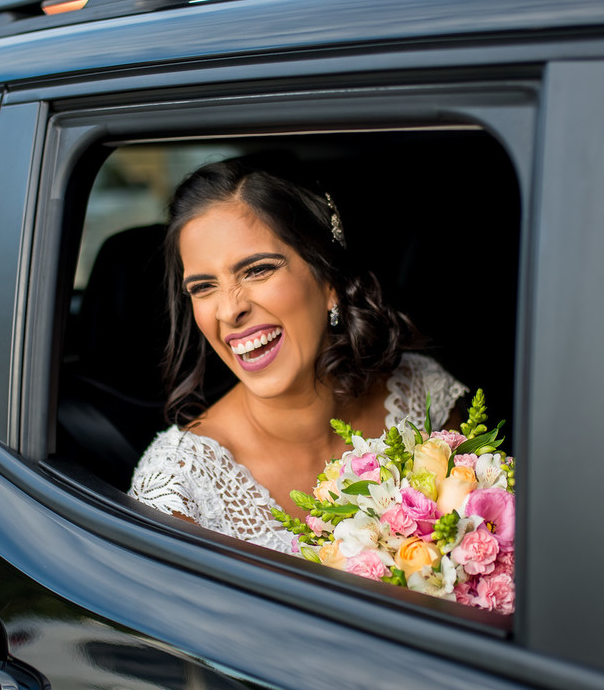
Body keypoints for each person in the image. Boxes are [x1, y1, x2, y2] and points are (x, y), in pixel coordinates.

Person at [128, 158, 468, 552]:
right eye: (204, 287)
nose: (227, 310)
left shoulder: (422, 397)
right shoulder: (179, 488)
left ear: (330, 282)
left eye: (256, 270)